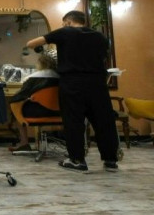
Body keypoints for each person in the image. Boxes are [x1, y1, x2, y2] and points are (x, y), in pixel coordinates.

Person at [26, 10, 119, 173]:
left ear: (68, 22)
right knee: (103, 121)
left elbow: (31, 43)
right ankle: (110, 160)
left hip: (73, 82)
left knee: (73, 121)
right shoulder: (100, 37)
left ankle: (77, 160)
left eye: (64, 23)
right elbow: (103, 56)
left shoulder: (65, 32)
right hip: (97, 83)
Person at [7, 50, 60, 152]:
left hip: (36, 113)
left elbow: (18, 98)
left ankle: (24, 143)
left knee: (15, 107)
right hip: (59, 113)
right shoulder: (63, 78)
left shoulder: (33, 78)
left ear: (41, 63)